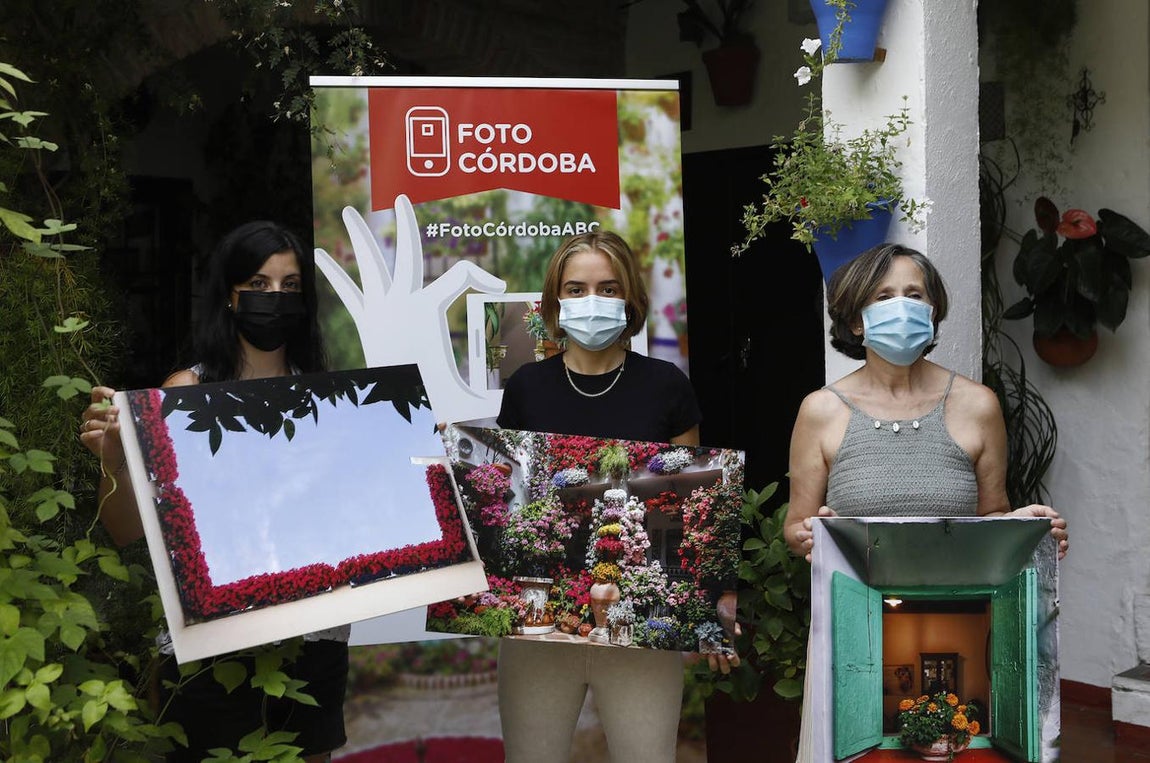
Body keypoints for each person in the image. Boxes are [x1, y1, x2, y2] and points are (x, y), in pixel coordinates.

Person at [784, 243, 1069, 762]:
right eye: (883, 295)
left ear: (933, 309)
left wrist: (1027, 529)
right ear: (854, 320)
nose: (901, 306)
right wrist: (808, 534)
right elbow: (796, 525)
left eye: (913, 294)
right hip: (857, 635)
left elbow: (992, 520)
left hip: (961, 615)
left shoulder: (979, 406)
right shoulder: (820, 411)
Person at [79, 221, 348, 763]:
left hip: (315, 634)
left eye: (290, 286)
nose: (275, 298)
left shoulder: (333, 397)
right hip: (213, 637)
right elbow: (128, 530)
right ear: (229, 293)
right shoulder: (186, 394)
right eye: (259, 282)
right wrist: (115, 463)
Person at [495, 230, 738, 762]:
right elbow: (508, 500)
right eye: (576, 288)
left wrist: (712, 607)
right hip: (540, 628)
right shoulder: (526, 388)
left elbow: (691, 508)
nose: (592, 301)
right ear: (556, 301)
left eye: (608, 288)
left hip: (642, 623)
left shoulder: (667, 386)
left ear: (630, 300)